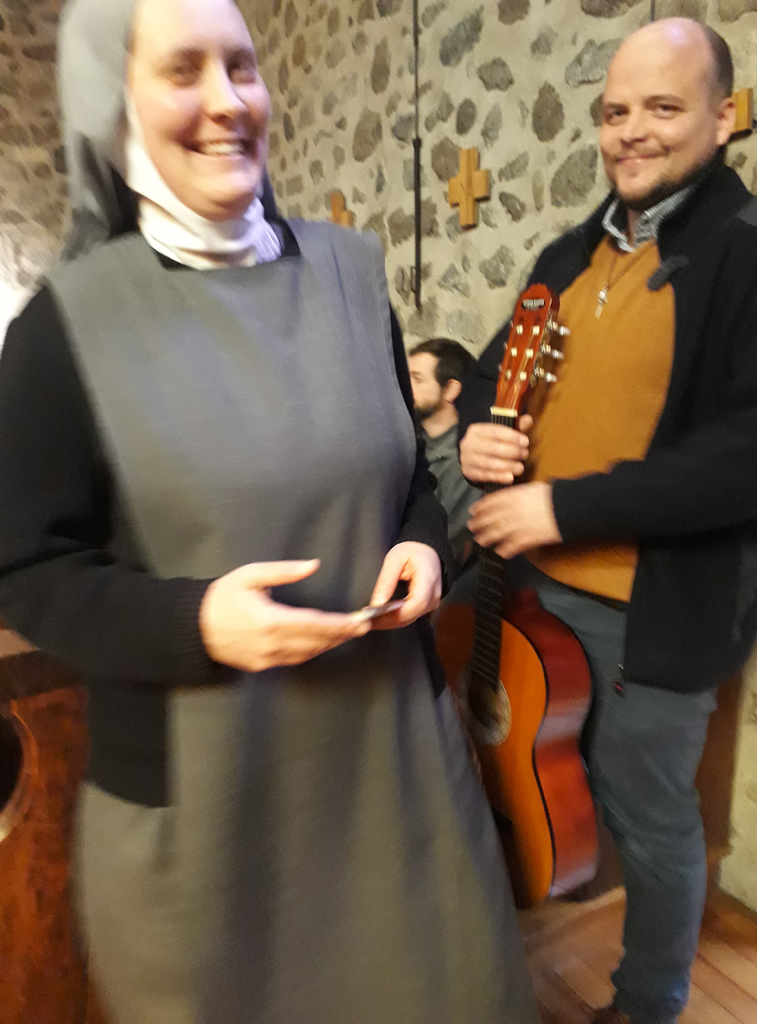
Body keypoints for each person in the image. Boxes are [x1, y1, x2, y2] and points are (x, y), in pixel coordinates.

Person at [0, 1, 540, 1022]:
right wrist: (197, 620)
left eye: (242, 66)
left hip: (397, 776)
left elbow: (411, 478)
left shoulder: (351, 274)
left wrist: (423, 545)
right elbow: (26, 569)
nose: (227, 100)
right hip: (213, 818)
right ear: (110, 105)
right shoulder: (62, 332)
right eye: (183, 71)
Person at [459, 18, 757, 1024]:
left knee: (652, 821)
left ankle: (647, 1002)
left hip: (653, 612)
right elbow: (489, 374)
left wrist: (561, 505)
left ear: (723, 117)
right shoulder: (567, 251)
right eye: (614, 111)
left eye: (663, 107)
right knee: (538, 774)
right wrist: (475, 431)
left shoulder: (753, 251)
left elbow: (748, 456)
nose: (631, 131)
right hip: (533, 592)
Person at [408, 338, 482, 576]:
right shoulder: (410, 436)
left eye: (417, 379)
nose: (404, 385)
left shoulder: (465, 462)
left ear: (450, 390)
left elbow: (444, 545)